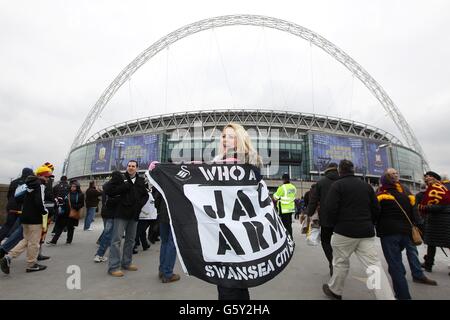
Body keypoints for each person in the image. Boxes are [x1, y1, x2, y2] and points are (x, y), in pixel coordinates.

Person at [320, 159, 394, 300]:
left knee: (340, 262)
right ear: (353, 170)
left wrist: (335, 224)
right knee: (374, 266)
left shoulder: (337, 186)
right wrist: (369, 222)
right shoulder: (366, 186)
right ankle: (386, 297)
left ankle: (336, 291)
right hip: (365, 232)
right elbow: (376, 208)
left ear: (340, 171)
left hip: (343, 232)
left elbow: (330, 209)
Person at [212, 123, 262, 300]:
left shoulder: (250, 160)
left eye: (231, 136)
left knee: (234, 282)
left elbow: (253, 189)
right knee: (226, 281)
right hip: (220, 229)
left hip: (241, 228)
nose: (226, 139)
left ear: (240, 139)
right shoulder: (217, 160)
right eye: (224, 136)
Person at [376, 171, 436, 300]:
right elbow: (414, 212)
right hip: (406, 232)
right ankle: (408, 279)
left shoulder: (381, 195)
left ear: (383, 183)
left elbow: (375, 213)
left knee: (395, 265)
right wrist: (421, 227)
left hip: (389, 234)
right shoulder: (406, 194)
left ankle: (403, 296)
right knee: (401, 259)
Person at [0, 166, 53, 274]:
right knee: (34, 242)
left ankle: (8, 257)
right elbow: (39, 202)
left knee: (25, 240)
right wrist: (44, 212)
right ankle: (31, 264)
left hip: (24, 216)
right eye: (47, 177)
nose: (48, 179)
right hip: (35, 218)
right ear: (40, 176)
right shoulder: (40, 185)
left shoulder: (27, 184)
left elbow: (18, 198)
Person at [108, 160, 148, 277]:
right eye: (129, 166)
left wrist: (140, 204)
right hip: (121, 213)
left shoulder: (140, 180)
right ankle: (113, 267)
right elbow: (110, 191)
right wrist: (123, 187)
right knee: (116, 240)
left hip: (134, 214)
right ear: (127, 167)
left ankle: (127, 262)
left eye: (133, 166)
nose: (131, 168)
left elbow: (145, 195)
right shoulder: (120, 178)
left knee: (130, 240)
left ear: (137, 168)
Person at [306, 162, 339, 276]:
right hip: (342, 219)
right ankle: (339, 263)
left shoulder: (321, 182)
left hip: (326, 218)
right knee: (341, 242)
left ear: (327, 170)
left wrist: (309, 214)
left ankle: (332, 261)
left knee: (326, 241)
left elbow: (313, 200)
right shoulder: (342, 181)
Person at [419, 171, 450, 273]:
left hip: (443, 220)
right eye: (426, 177)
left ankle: (428, 264)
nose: (426, 179)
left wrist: (425, 207)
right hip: (435, 221)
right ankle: (428, 264)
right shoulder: (435, 187)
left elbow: (442, 205)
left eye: (429, 177)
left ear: (435, 178)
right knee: (431, 244)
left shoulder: (442, 188)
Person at [94, 171, 123, 263]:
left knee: (107, 233)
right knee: (110, 234)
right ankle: (100, 254)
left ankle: (100, 254)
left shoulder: (106, 186)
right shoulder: (116, 188)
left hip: (105, 212)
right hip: (113, 213)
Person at [153, 187, 180, 283]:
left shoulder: (162, 180)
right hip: (175, 215)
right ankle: (168, 273)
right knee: (172, 244)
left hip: (163, 215)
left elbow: (156, 198)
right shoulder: (177, 181)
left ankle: (162, 270)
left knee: (164, 243)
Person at [0, 168, 34, 243]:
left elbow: (9, 195)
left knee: (8, 225)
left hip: (11, 206)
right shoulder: (30, 183)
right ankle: (12, 244)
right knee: (21, 228)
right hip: (22, 207)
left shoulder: (14, 182)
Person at [47, 180, 84, 245]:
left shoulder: (80, 195)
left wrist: (74, 206)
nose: (73, 188)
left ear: (77, 187)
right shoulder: (67, 193)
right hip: (64, 213)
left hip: (72, 213)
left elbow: (81, 204)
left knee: (70, 227)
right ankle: (54, 241)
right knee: (59, 227)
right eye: (72, 186)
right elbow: (61, 200)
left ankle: (69, 241)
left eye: (74, 187)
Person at [273, 173, 297, 238]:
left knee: (285, 226)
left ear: (283, 179)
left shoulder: (282, 188)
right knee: (289, 225)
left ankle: (289, 239)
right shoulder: (293, 187)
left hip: (284, 209)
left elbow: (275, 197)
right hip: (291, 209)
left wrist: (275, 194)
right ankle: (290, 237)